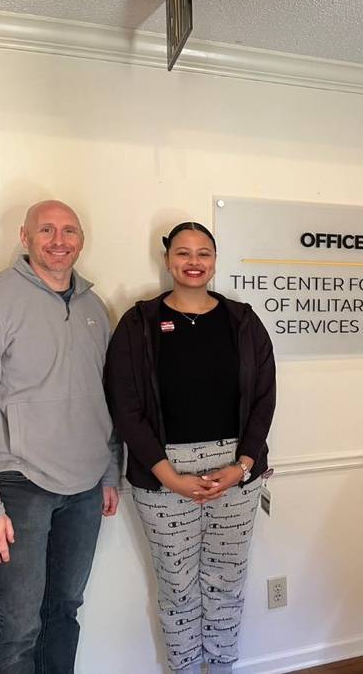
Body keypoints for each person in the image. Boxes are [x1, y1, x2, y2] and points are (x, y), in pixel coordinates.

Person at [0, 199, 121, 673]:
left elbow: (105, 398)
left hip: (84, 489)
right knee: (17, 626)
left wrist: (109, 470)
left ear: (81, 239)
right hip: (18, 487)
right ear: (25, 237)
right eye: (47, 230)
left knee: (63, 612)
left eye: (69, 231)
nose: (59, 241)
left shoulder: (94, 308)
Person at [104, 221, 275, 674]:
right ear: (167, 260)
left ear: (215, 260)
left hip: (235, 471)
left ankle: (220, 668)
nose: (193, 262)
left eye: (203, 253)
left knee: (227, 581)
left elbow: (264, 399)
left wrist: (242, 465)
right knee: (177, 585)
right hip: (163, 473)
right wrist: (167, 474)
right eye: (183, 253)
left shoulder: (243, 322)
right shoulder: (139, 323)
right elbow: (125, 406)